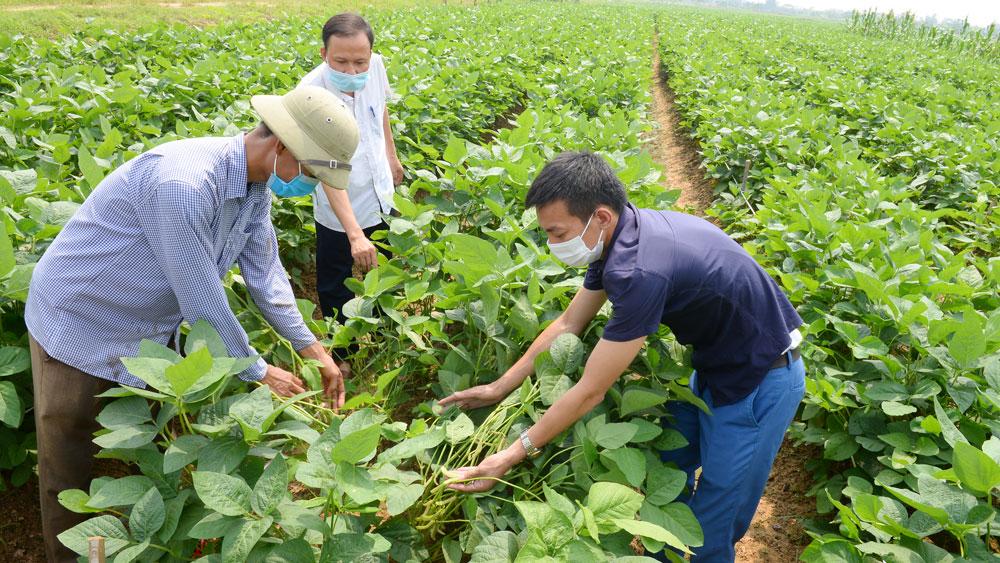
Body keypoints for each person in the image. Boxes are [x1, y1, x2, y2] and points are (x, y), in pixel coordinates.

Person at [24, 85, 357, 562]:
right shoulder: (184, 185)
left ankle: (134, 545)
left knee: (143, 448)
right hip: (82, 320)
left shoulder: (254, 185)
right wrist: (258, 370)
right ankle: (79, 558)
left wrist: (314, 350)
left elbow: (266, 274)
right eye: (309, 172)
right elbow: (202, 297)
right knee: (73, 460)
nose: (308, 184)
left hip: (146, 328)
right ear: (281, 145)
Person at [439, 151, 806, 562]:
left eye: (558, 233)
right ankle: (667, 552)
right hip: (717, 364)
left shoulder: (639, 271)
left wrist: (509, 455)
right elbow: (567, 324)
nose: (552, 244)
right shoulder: (619, 233)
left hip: (762, 380)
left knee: (714, 518)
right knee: (670, 465)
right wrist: (499, 386)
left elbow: (591, 391)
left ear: (600, 217)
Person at [298, 12, 404, 369]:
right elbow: (327, 171)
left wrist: (392, 156)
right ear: (323, 53)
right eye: (341, 62)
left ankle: (391, 336)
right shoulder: (309, 95)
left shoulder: (376, 66)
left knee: (387, 272)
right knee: (335, 280)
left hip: (379, 192)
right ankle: (344, 353)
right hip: (338, 207)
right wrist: (355, 234)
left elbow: (382, 109)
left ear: (371, 54)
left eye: (360, 61)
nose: (353, 71)